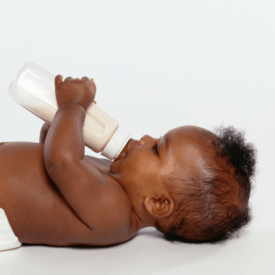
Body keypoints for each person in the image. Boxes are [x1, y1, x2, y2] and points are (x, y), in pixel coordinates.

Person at [0, 76, 257, 250]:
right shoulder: (111, 176)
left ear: (157, 203)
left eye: (157, 148)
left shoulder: (114, 213)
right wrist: (62, 122)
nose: (145, 138)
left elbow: (61, 162)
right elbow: (49, 157)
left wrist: (73, 105)